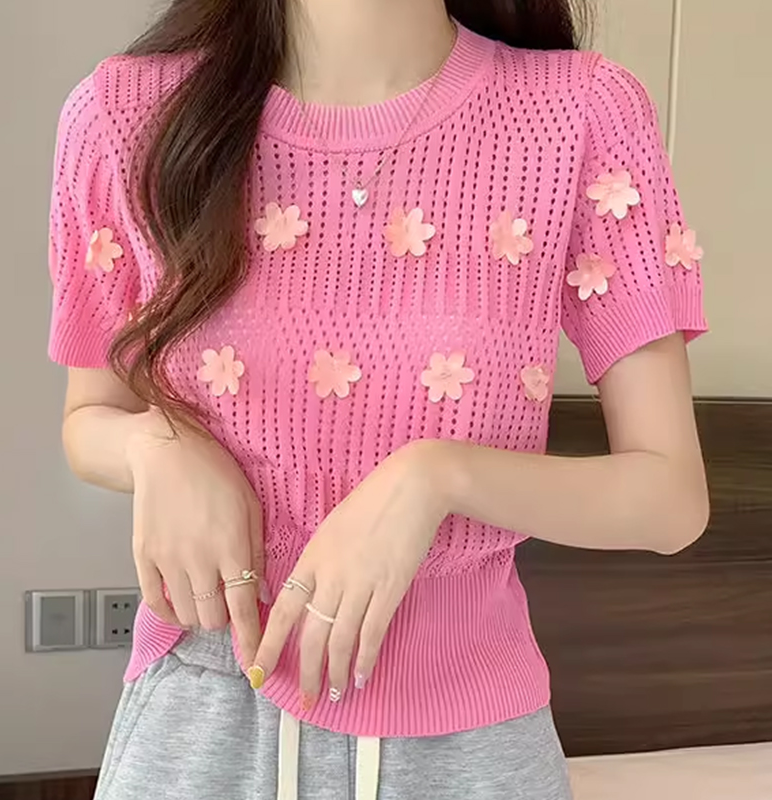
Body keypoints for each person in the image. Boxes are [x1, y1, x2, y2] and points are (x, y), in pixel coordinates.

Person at [47, 0, 710, 797]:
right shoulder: (125, 115)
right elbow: (89, 419)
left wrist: (436, 478)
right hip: (202, 728)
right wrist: (155, 447)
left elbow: (670, 499)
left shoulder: (579, 113)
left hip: (467, 744)